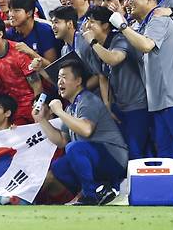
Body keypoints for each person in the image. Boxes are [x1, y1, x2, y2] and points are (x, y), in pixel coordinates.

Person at [109, 0, 173, 206]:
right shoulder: (145, 23)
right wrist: (124, 22)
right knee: (164, 147)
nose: (129, 2)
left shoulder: (159, 18)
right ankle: (169, 193)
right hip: (158, 96)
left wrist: (122, 26)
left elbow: (146, 45)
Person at [34, 60, 128, 206]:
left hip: (113, 157)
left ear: (78, 80)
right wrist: (41, 120)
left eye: (64, 77)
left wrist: (58, 111)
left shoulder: (88, 99)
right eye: (59, 78)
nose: (60, 82)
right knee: (59, 166)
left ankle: (91, 195)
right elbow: (62, 140)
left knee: (73, 148)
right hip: (95, 157)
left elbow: (86, 130)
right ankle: (101, 189)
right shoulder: (70, 108)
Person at [83, 6, 152, 161]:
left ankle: (142, 183)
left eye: (92, 22)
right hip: (119, 106)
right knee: (124, 149)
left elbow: (114, 59)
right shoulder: (98, 45)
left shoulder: (119, 39)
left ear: (105, 25)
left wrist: (93, 42)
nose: (87, 26)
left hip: (137, 104)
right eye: (87, 21)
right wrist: (107, 106)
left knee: (136, 150)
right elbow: (102, 77)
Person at [4, 0, 59, 65]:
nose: (11, 14)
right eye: (10, 10)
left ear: (29, 13)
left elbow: (52, 67)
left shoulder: (44, 31)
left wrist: (30, 52)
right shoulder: (9, 34)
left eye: (16, 11)